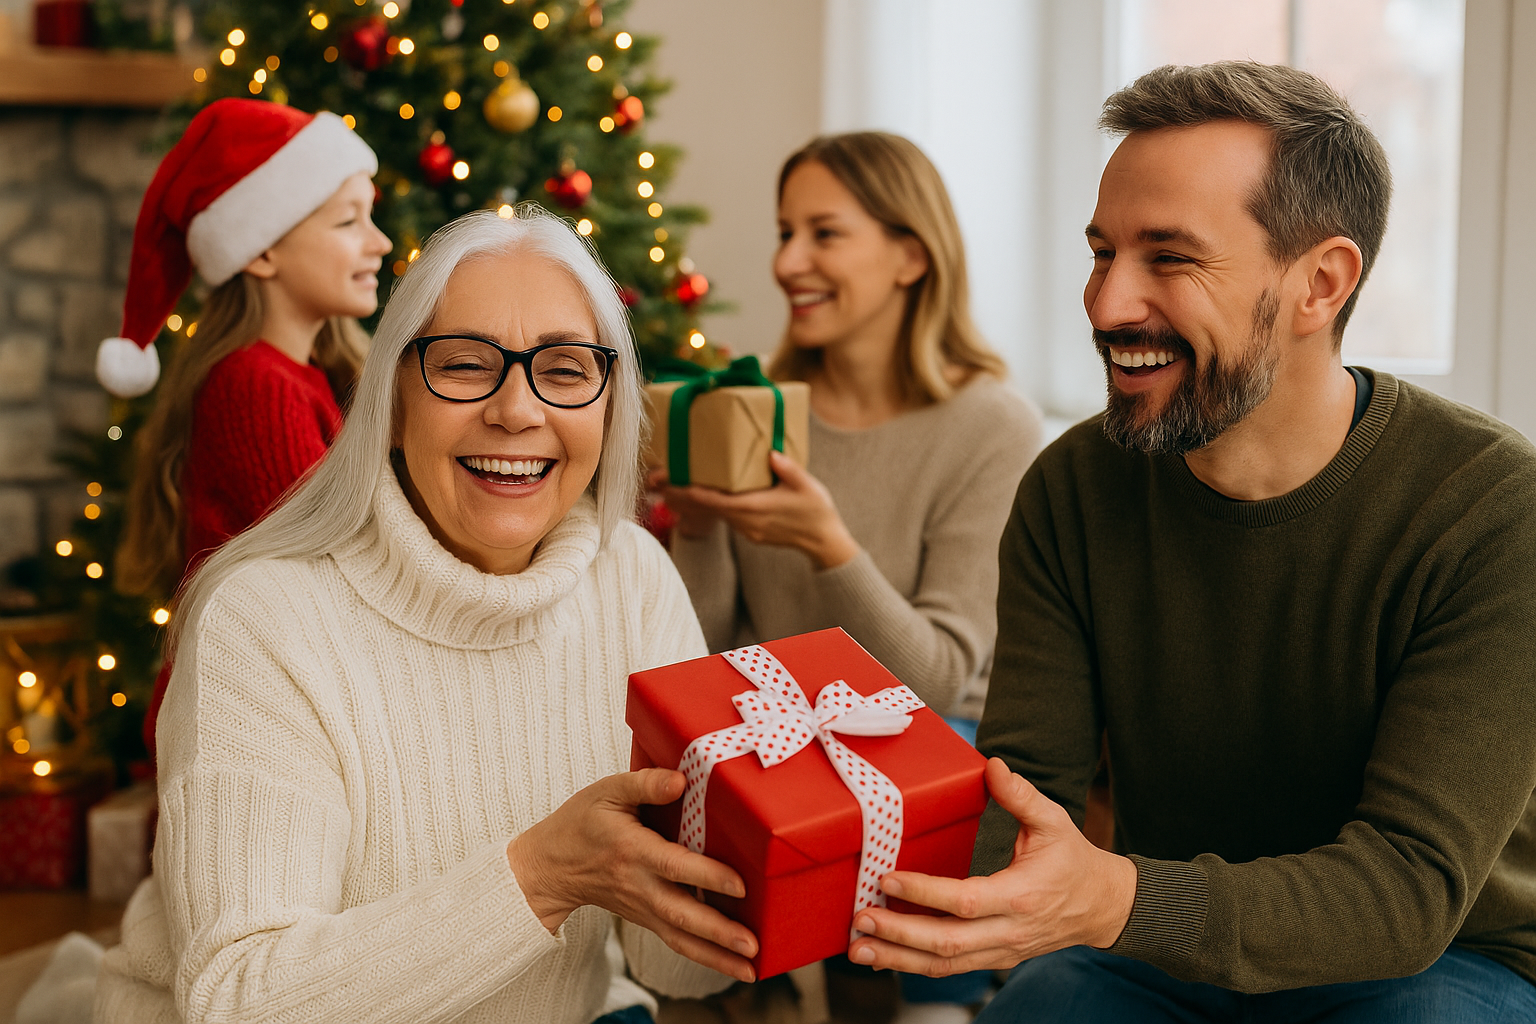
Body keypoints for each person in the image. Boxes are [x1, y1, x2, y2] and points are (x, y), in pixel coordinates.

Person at [841, 62, 1536, 1022]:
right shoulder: (1074, 488)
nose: (1108, 303)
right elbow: (1021, 798)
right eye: (1102, 252)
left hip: (1438, 962)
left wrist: (1113, 896)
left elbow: (1405, 891)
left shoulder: (1490, 505)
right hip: (1161, 948)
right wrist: (807, 851)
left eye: (1169, 258)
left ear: (1320, 285)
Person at [94, 208, 754, 1024]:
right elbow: (239, 1001)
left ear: (610, 403)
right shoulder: (266, 618)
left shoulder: (634, 580)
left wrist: (795, 887)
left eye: (566, 369)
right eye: (467, 364)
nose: (518, 410)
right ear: (395, 403)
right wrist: (542, 878)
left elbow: (677, 967)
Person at [662, 132, 1042, 1021]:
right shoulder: (760, 411)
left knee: (931, 742)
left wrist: (831, 546)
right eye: (784, 231)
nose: (788, 260)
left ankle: (930, 993)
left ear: (911, 254)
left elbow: (941, 677)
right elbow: (706, 653)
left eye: (823, 233)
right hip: (779, 753)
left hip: (930, 759)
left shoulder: (992, 427)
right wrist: (704, 522)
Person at [105, 98, 393, 764]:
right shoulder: (253, 387)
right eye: (350, 221)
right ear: (263, 248)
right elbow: (342, 557)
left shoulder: (304, 374)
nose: (378, 241)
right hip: (246, 728)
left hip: (275, 705)